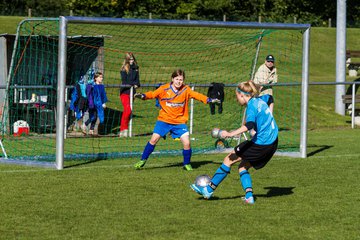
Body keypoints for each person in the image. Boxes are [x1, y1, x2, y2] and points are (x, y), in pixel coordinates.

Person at [190, 80, 278, 204]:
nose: (237, 100)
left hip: (261, 144)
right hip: (273, 143)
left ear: (242, 95)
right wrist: (268, 119)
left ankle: (208, 190)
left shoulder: (252, 106)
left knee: (228, 159)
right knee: (242, 167)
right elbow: (270, 98)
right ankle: (249, 197)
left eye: (237, 97)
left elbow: (249, 124)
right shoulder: (261, 99)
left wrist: (230, 134)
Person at [133, 69, 220, 171]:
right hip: (164, 120)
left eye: (181, 80)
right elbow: (152, 94)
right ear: (172, 79)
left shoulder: (186, 90)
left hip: (179, 122)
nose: (179, 82)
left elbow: (197, 95)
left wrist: (209, 100)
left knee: (187, 142)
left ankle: (187, 164)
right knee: (154, 139)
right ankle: (142, 160)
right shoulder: (164, 89)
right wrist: (143, 96)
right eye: (177, 79)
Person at [119, 52, 140, 137]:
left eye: (132, 59)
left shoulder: (136, 68)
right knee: (128, 110)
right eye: (130, 59)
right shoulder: (124, 69)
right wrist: (132, 84)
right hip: (125, 92)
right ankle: (123, 129)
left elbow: (138, 81)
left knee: (128, 111)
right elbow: (125, 81)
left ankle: (126, 130)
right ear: (127, 60)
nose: (131, 61)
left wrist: (136, 84)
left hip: (132, 92)